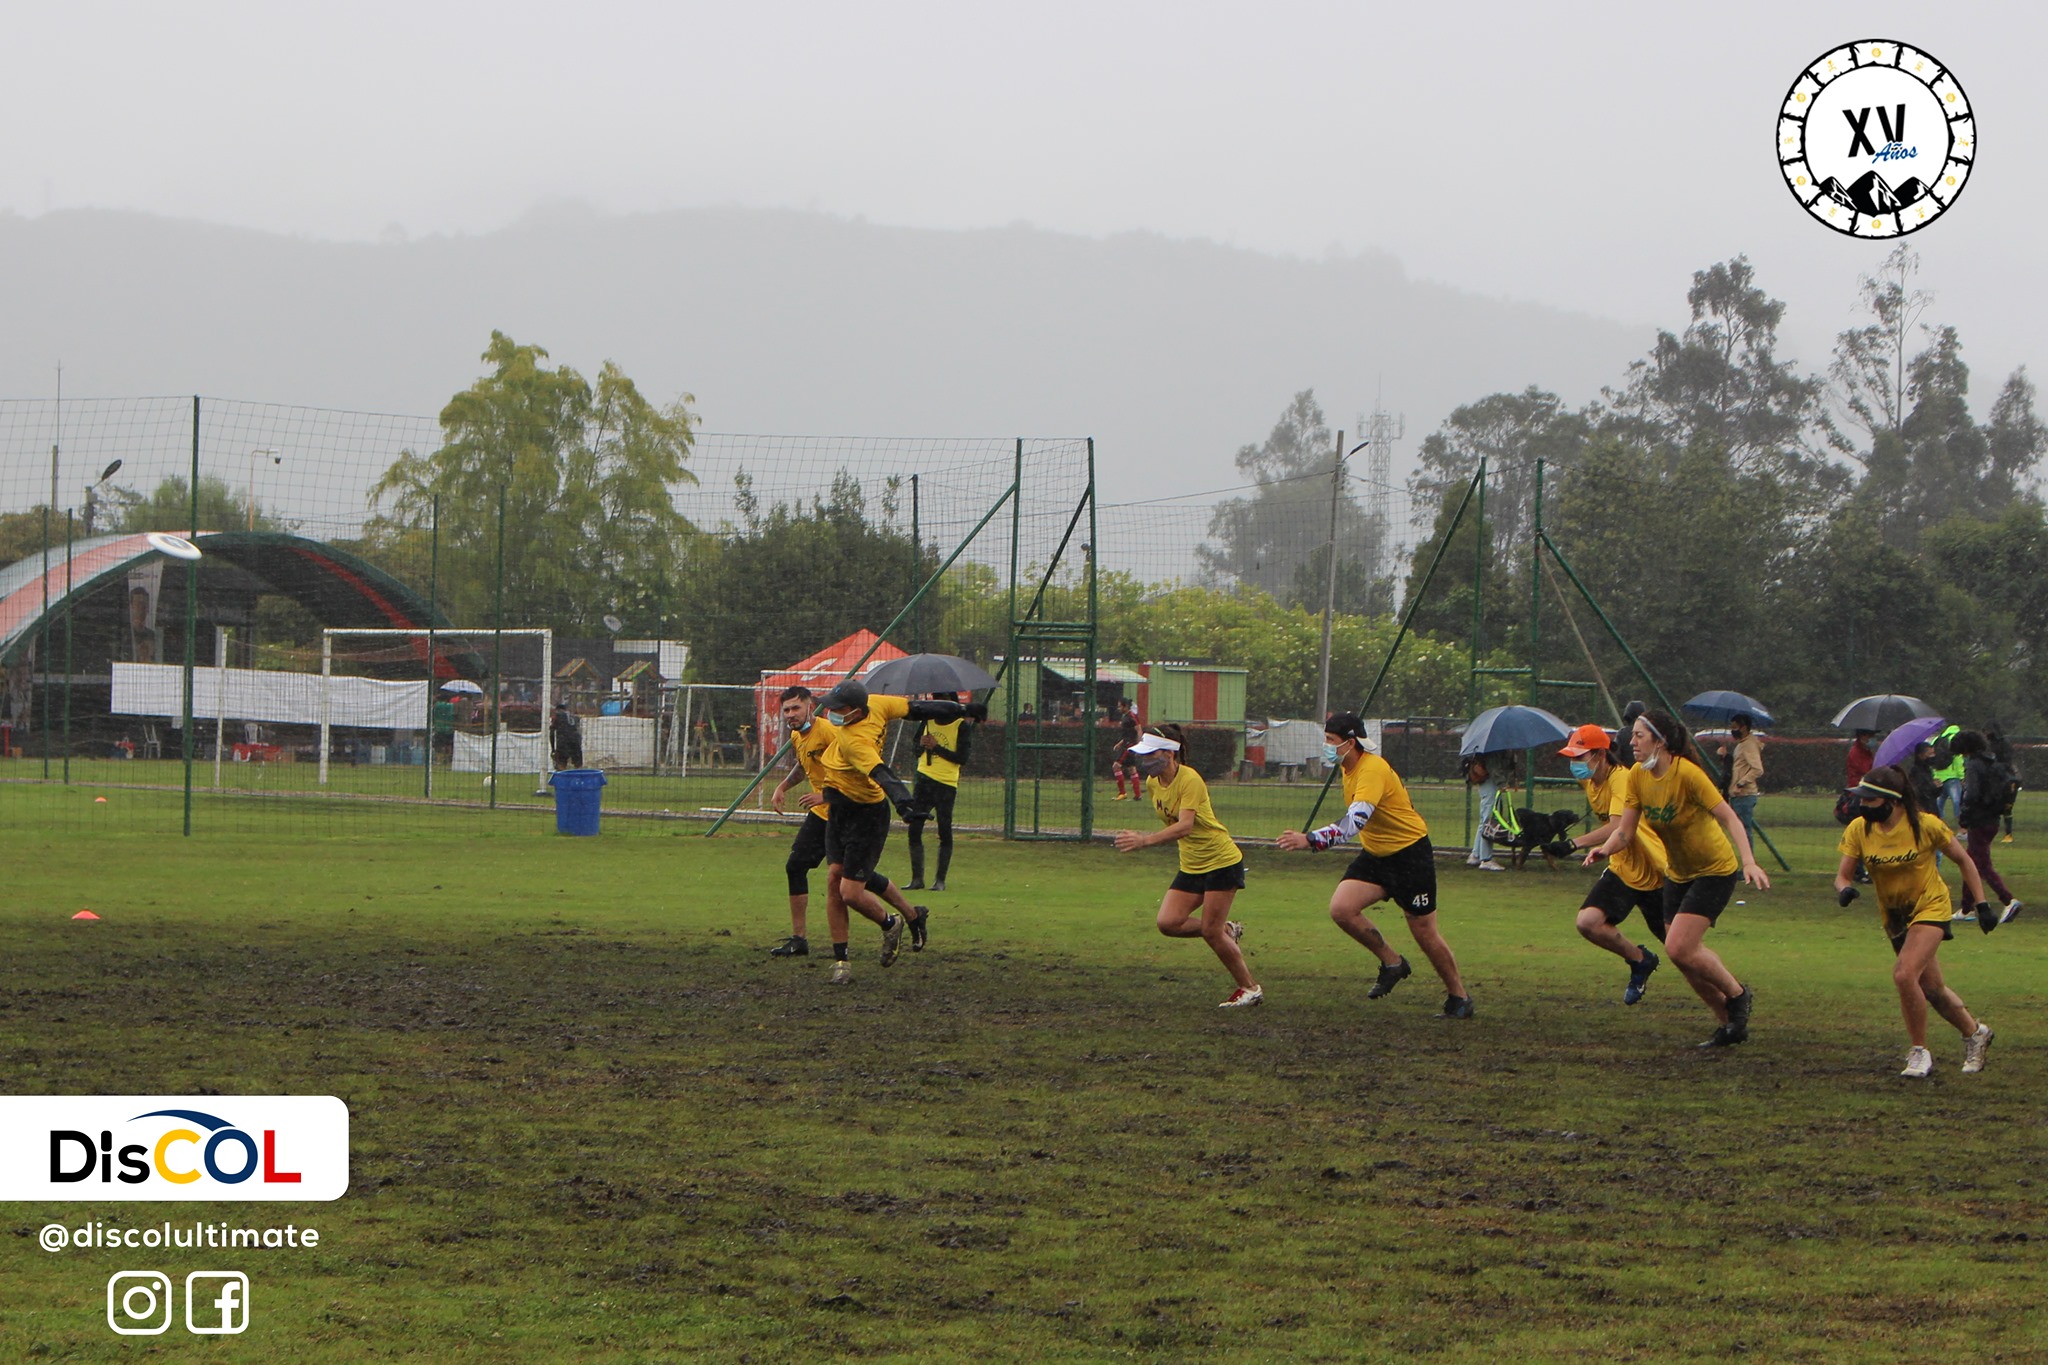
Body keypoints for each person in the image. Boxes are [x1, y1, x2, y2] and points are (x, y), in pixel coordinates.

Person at [1585, 710, 1767, 1048]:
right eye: (1633, 736)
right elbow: (1624, 831)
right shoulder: (1638, 776)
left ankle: (1738, 995)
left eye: (1640, 735)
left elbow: (1731, 819)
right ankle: (1729, 1025)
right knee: (1683, 955)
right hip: (1678, 874)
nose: (1632, 741)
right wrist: (1603, 849)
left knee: (1680, 948)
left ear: (1661, 740)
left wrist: (1750, 862)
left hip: (1714, 869)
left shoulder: (1688, 774)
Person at [1278, 712, 1473, 1018]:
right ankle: (1393, 963)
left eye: (1331, 740)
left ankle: (1459, 997)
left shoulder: (1372, 770)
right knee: (1342, 909)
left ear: (1350, 742)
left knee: (1424, 931)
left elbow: (1355, 821)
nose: (1326, 746)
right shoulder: (1348, 766)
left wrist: (1311, 839)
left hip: (1410, 855)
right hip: (1377, 855)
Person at [813, 679, 982, 983]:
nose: (830, 712)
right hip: (839, 806)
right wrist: (963, 708)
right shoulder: (875, 703)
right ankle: (843, 960)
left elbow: (883, 774)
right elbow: (919, 708)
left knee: (850, 892)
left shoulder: (856, 740)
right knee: (836, 876)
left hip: (867, 813)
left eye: (837, 709)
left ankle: (891, 924)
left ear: (854, 711)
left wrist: (904, 804)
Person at [1834, 765, 1999, 1076]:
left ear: (1892, 801)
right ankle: (1976, 1033)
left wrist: (1982, 904)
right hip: (1895, 915)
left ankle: (1919, 1052)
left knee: (1904, 974)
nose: (1862, 805)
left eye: (1869, 800)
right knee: (1932, 989)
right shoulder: (1859, 829)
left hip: (1930, 906)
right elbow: (1842, 875)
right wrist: (1845, 890)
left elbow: (1964, 860)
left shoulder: (1926, 825)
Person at [1113, 725, 1261, 1008]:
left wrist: (1144, 841)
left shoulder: (1190, 779)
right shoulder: (1154, 783)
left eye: (1151, 754)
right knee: (1168, 923)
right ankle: (1228, 930)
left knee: (1210, 931)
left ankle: (1249, 988)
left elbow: (1185, 826)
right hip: (1192, 865)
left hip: (1221, 862)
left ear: (1170, 753)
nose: (1145, 761)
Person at [1554, 723, 1670, 1004]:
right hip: (1623, 867)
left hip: (1654, 871)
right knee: (1588, 922)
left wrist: (1574, 843)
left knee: (1681, 948)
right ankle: (1640, 960)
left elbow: (1617, 828)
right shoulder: (1590, 780)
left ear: (1600, 755)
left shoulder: (1622, 779)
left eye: (1579, 757)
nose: (1574, 764)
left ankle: (1730, 996)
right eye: (1572, 757)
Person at [1952, 730, 2024, 926]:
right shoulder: (1992, 762)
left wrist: (1964, 814)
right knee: (1971, 862)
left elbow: (1972, 793)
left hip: (1979, 820)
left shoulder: (1974, 765)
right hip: (1992, 818)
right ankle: (1966, 908)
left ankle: (2008, 899)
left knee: (1982, 865)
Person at [905, 691, 972, 891]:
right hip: (924, 779)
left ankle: (940, 880)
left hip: (946, 783)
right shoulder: (927, 722)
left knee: (944, 829)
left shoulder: (961, 725)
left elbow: (962, 758)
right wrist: (921, 744)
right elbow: (916, 750)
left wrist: (936, 747)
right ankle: (917, 879)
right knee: (914, 827)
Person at [1718, 713, 1764, 849]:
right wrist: (1726, 757)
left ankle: (1748, 865)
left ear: (1743, 727)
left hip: (1744, 794)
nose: (1733, 730)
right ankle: (1746, 864)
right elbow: (1739, 766)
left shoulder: (1748, 745)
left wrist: (1741, 783)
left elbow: (1757, 769)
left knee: (1743, 831)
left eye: (1735, 727)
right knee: (1741, 830)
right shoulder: (1742, 744)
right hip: (1738, 794)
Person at [1464, 748, 1513, 872]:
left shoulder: (1491, 745)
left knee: (1484, 820)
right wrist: (1502, 782)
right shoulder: (1495, 747)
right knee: (1488, 821)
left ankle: (1476, 855)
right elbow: (1493, 766)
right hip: (1491, 783)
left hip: (1488, 783)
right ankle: (1486, 859)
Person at [1931, 723, 1966, 830]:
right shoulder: (1955, 740)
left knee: (1939, 803)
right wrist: (1962, 776)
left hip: (1938, 776)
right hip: (1952, 776)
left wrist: (1933, 775)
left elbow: (1932, 759)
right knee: (1957, 801)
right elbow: (1958, 760)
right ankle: (1962, 828)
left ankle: (1938, 826)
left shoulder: (1936, 740)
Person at [1112, 702, 1142, 801]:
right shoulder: (1125, 717)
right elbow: (1128, 734)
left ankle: (1122, 793)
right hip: (1126, 744)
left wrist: (1138, 744)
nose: (1118, 708)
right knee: (1131, 769)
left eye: (1120, 706)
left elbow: (1138, 730)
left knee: (1116, 766)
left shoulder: (1132, 716)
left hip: (1129, 746)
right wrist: (1120, 743)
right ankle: (1138, 796)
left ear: (1126, 706)